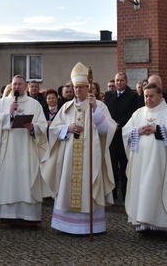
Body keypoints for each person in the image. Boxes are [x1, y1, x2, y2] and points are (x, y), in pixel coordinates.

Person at [41, 62, 116, 235]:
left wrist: (95, 109)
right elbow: (53, 130)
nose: (77, 90)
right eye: (75, 87)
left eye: (81, 87)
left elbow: (107, 130)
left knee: (89, 185)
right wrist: (67, 128)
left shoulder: (99, 106)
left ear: (89, 88)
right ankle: (65, 225)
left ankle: (92, 226)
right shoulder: (66, 108)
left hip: (91, 159)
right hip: (68, 160)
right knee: (68, 186)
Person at [122, 83, 167, 237]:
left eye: (151, 96)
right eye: (146, 96)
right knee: (143, 190)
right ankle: (144, 225)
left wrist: (157, 129)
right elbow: (126, 131)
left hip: (163, 164)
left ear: (160, 96)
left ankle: (165, 227)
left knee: (160, 189)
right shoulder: (138, 113)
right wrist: (137, 130)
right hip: (141, 162)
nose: (148, 99)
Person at [0, 75, 49, 226]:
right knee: (10, 179)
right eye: (14, 84)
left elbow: (42, 124)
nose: (17, 87)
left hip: (28, 148)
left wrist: (33, 127)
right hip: (8, 150)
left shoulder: (34, 104)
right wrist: (8, 115)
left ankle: (30, 218)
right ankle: (8, 216)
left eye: (20, 84)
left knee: (27, 177)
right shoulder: (2, 103)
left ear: (26, 86)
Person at [103, 71, 140, 204]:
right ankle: (112, 195)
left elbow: (133, 113)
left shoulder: (133, 96)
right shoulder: (108, 95)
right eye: (117, 80)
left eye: (121, 80)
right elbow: (105, 112)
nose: (119, 83)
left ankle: (125, 194)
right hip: (111, 136)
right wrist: (111, 124)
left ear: (126, 81)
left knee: (125, 167)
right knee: (111, 166)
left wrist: (120, 124)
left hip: (125, 135)